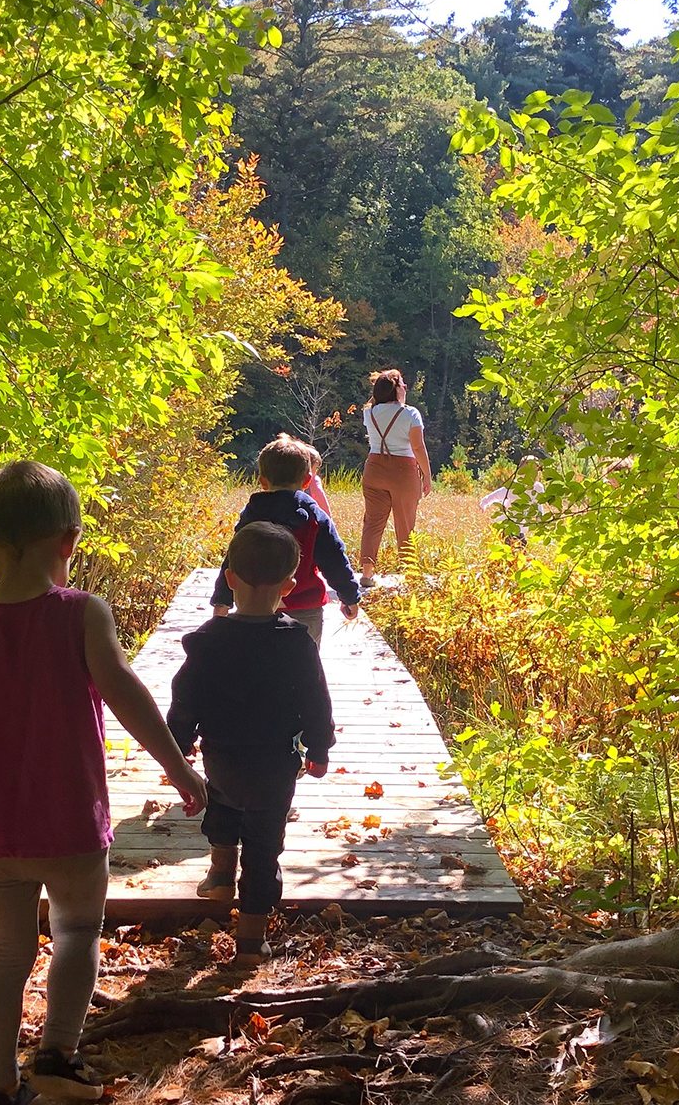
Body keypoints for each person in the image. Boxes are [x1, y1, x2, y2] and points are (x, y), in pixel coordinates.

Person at [0, 461, 208, 1105]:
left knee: (4, 953)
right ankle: (57, 1055)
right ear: (69, 542)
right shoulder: (82, 613)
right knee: (77, 932)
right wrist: (177, 766)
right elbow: (126, 693)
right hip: (74, 824)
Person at [168, 522, 335, 959]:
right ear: (289, 585)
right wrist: (319, 749)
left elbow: (185, 701)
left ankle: (220, 876)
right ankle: (250, 942)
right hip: (275, 763)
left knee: (222, 805)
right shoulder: (297, 642)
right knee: (263, 846)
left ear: (229, 579)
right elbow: (317, 701)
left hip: (221, 757)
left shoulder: (206, 641)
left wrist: (179, 749)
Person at [210, 435, 362, 642]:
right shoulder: (315, 518)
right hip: (305, 606)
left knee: (258, 662)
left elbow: (234, 559)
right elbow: (334, 559)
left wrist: (222, 600)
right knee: (305, 666)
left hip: (255, 607)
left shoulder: (253, 515)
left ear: (262, 482)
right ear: (307, 480)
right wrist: (349, 596)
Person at [357, 368, 433, 586]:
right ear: (396, 389)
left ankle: (367, 573)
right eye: (402, 385)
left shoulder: (368, 413)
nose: (405, 388)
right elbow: (418, 447)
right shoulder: (411, 414)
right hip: (403, 470)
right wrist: (426, 475)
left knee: (372, 521)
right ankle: (410, 573)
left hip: (374, 467)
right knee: (405, 522)